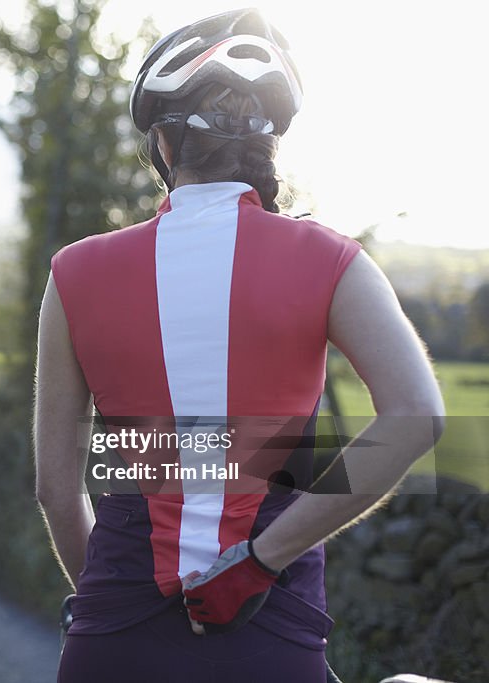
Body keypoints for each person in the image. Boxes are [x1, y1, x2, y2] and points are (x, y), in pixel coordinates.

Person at [34, 8, 445, 683]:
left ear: (165, 145)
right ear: (269, 144)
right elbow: (415, 415)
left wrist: (106, 601)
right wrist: (258, 562)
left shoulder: (74, 273)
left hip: (111, 641)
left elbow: (56, 489)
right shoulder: (331, 260)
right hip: (268, 635)